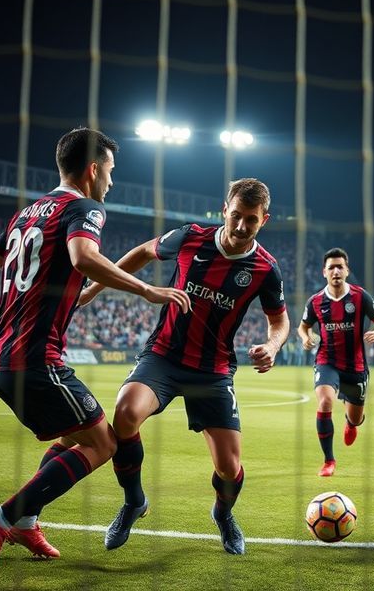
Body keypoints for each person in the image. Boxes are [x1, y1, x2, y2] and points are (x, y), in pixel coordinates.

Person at [0, 127, 189, 589]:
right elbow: (82, 257)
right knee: (104, 444)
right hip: (35, 359)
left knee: (83, 434)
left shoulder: (26, 213)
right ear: (94, 170)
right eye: (111, 172)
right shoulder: (83, 207)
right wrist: (146, 289)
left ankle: (27, 523)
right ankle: (4, 517)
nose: (112, 182)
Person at [78, 178, 289, 556]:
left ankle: (223, 515)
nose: (241, 226)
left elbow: (280, 320)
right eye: (236, 215)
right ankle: (134, 503)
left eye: (251, 220)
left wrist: (273, 345)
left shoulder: (265, 269)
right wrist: (95, 287)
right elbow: (143, 252)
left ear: (264, 220)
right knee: (125, 413)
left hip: (213, 371)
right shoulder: (190, 237)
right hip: (164, 356)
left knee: (229, 467)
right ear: (224, 209)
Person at [297, 248, 374, 477]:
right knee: (325, 402)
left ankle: (350, 422)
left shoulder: (360, 297)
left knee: (356, 418)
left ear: (347, 271)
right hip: (327, 361)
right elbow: (303, 326)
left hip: (356, 367)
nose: (336, 271)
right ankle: (329, 461)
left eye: (340, 266)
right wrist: (306, 337)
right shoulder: (316, 301)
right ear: (324, 272)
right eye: (331, 267)